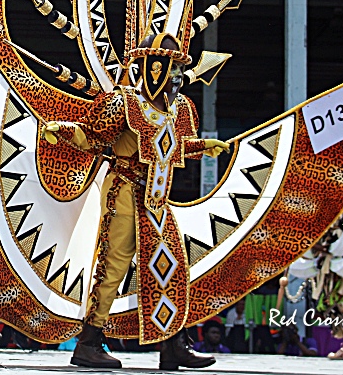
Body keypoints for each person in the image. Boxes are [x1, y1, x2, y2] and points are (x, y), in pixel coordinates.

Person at [44, 33, 230, 370]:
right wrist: (65, 130)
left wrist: (203, 147)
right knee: (114, 266)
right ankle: (88, 343)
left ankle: (173, 344)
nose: (175, 77)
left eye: (178, 69)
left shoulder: (181, 109)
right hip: (125, 190)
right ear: (151, 68)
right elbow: (94, 138)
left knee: (171, 265)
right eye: (170, 68)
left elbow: (173, 148)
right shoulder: (123, 103)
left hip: (158, 199)